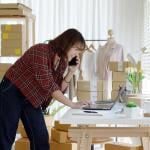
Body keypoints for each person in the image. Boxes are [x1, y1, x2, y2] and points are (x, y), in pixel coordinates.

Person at [0, 28, 90, 150]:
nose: (77, 54)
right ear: (67, 43)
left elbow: (58, 88)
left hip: (31, 98)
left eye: (80, 52)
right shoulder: (40, 51)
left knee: (41, 139)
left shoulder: (62, 62)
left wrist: (71, 72)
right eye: (76, 49)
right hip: (12, 91)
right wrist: (72, 104)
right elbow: (49, 86)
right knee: (6, 138)